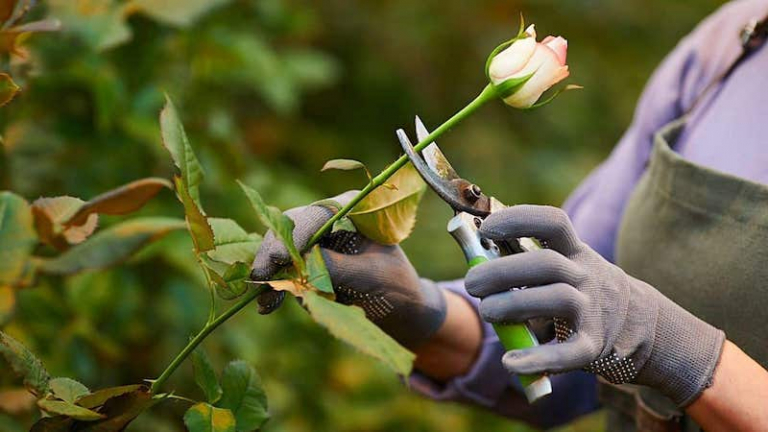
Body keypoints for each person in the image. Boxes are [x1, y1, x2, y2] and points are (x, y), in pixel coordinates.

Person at [251, 0, 768, 430]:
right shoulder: (732, 44)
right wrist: (419, 311)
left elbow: (622, 325)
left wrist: (677, 349)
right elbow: (565, 339)